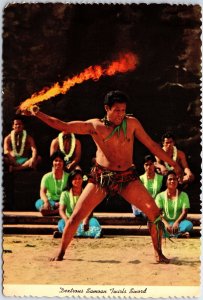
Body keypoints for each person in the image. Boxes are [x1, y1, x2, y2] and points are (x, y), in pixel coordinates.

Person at [22, 90, 182, 263]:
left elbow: (151, 145)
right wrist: (37, 113)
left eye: (123, 110)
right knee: (76, 216)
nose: (121, 114)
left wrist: (173, 164)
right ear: (107, 108)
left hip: (127, 177)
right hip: (101, 177)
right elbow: (63, 125)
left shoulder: (132, 123)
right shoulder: (95, 126)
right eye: (117, 110)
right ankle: (61, 252)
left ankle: (158, 253)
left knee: (154, 213)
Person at [54, 169, 102, 238]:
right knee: (61, 223)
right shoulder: (65, 194)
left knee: (94, 221)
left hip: (84, 219)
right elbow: (61, 210)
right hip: (70, 219)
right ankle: (86, 234)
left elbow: (90, 209)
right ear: (71, 180)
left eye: (79, 178)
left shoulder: (87, 192)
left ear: (82, 180)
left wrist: (86, 220)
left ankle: (67, 234)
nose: (77, 181)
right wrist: (66, 219)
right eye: (75, 179)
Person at [155, 171, 193, 238]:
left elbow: (185, 212)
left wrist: (177, 223)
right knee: (155, 225)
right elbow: (158, 213)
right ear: (166, 182)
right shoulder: (159, 196)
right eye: (170, 179)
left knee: (189, 224)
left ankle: (170, 235)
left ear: (177, 182)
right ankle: (179, 234)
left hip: (179, 224)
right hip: (165, 223)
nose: (172, 181)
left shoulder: (184, 195)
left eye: (174, 179)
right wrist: (166, 224)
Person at [35, 151, 69, 216]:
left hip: (63, 202)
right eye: (56, 160)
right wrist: (46, 202)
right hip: (51, 202)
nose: (58, 163)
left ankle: (53, 212)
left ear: (63, 163)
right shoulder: (46, 177)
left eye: (60, 161)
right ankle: (60, 211)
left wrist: (61, 202)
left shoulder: (68, 177)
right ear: (52, 163)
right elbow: (42, 192)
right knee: (38, 203)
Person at [132, 154, 164, 218]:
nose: (149, 167)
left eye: (151, 164)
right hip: (144, 205)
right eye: (146, 165)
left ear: (154, 165)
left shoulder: (161, 178)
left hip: (157, 205)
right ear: (143, 166)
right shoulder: (140, 179)